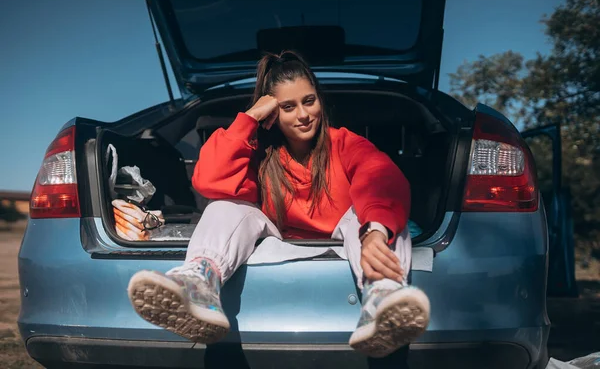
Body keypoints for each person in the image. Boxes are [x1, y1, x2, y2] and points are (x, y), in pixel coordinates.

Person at [127, 50, 430, 358]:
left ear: (320, 101)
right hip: (279, 241)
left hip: (350, 241)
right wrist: (250, 118)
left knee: (374, 217)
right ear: (273, 113)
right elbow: (208, 179)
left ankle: (382, 298)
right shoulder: (261, 155)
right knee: (224, 207)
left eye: (309, 101)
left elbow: (381, 177)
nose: (303, 115)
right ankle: (196, 285)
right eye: (288, 106)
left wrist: (376, 231)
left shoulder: (344, 142)